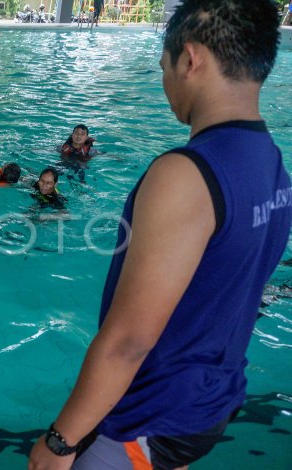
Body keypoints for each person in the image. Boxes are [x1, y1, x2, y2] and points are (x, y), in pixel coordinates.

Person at [29, 1, 290, 469]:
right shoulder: (271, 163)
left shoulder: (185, 175)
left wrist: (60, 441)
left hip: (149, 418)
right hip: (212, 400)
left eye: (164, 66)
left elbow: (129, 340)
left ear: (189, 59)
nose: (165, 81)